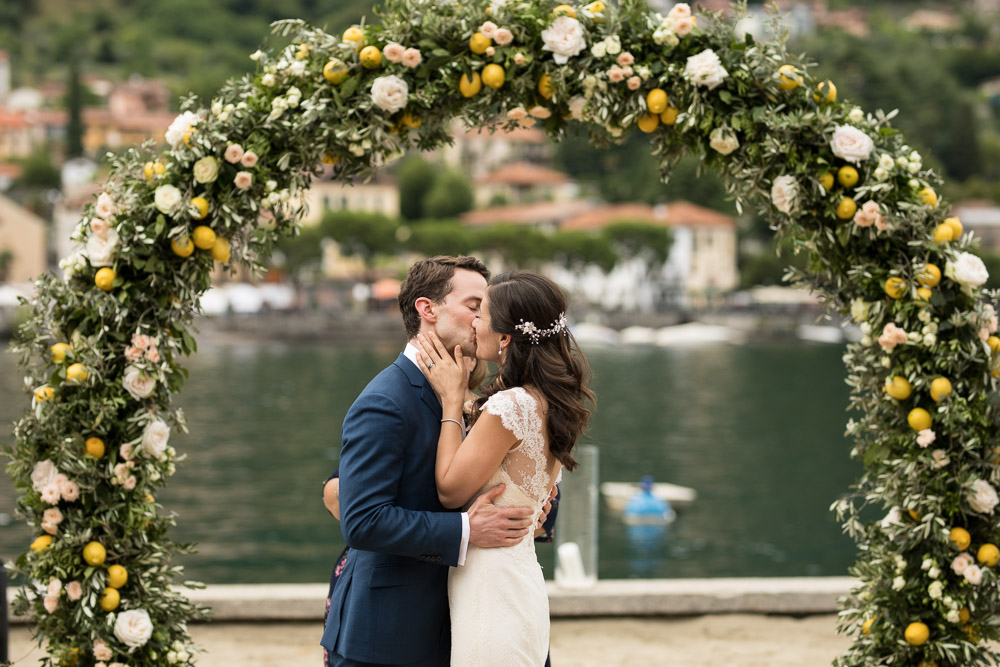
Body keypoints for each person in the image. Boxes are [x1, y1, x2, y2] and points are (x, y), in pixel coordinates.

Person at [320, 256, 541, 667]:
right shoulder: (386, 400)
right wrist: (465, 529)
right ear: (428, 309)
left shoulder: (498, 398)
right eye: (475, 306)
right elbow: (363, 519)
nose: (483, 321)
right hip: (394, 635)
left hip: (485, 615)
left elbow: (522, 479)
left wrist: (537, 511)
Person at [414, 270, 594, 666]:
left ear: (506, 337)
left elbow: (450, 490)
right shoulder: (543, 400)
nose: (474, 323)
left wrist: (450, 400)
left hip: (491, 585)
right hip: (520, 576)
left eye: (482, 314)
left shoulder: (509, 406)